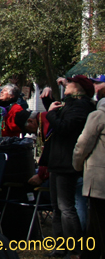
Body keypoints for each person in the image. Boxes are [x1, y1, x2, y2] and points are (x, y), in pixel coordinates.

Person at [44, 75, 96, 258]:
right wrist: (50, 106)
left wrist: (51, 114)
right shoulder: (72, 104)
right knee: (57, 207)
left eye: (69, 83)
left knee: (66, 207)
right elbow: (59, 121)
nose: (66, 85)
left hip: (67, 161)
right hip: (58, 160)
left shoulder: (81, 107)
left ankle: (74, 248)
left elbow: (65, 127)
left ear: (79, 88)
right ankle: (60, 246)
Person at [73, 77, 105, 259]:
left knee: (98, 220)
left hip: (99, 178)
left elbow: (83, 145)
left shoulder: (98, 116)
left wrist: (77, 166)